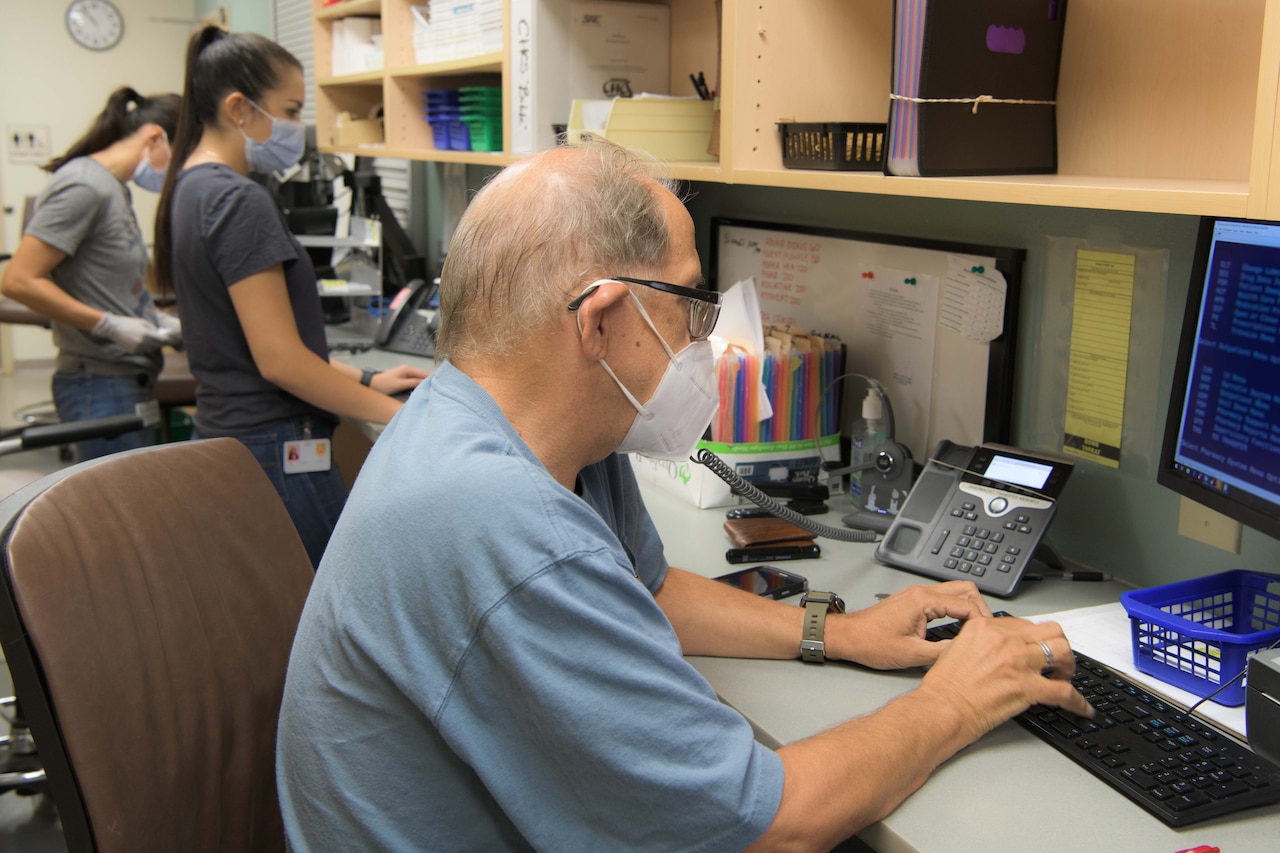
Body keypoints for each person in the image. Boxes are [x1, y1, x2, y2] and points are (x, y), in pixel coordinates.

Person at [276, 139, 1094, 851]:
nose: (708, 343)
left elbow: (649, 593)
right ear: (598, 321)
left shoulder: (517, 423)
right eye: (694, 307)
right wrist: (955, 700)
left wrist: (838, 632)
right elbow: (774, 826)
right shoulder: (500, 522)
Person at [153, 27, 428, 568]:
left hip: (233, 434)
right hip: (278, 446)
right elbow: (279, 361)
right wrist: (399, 417)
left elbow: (253, 343)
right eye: (290, 109)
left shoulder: (189, 188)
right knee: (332, 605)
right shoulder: (236, 201)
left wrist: (368, 378)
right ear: (238, 107)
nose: (296, 128)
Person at [1, 87, 183, 460]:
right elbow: (18, 280)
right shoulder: (85, 185)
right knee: (117, 513)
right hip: (99, 382)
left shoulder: (114, 188)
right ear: (155, 137)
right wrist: (107, 325)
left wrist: (158, 321)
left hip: (125, 376)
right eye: (182, 154)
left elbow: (108, 281)